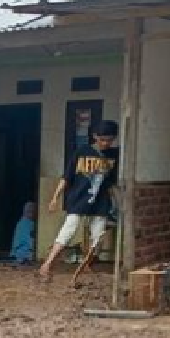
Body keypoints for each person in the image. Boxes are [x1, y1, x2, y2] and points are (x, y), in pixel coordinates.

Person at [38, 120, 120, 282]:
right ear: (95, 136)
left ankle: (84, 267)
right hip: (78, 198)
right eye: (102, 140)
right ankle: (47, 265)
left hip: (101, 201)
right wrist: (55, 198)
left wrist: (117, 203)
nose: (106, 143)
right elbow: (66, 177)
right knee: (68, 230)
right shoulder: (81, 152)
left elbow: (110, 183)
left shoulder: (113, 155)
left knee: (98, 238)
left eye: (109, 140)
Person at [11, 202, 37, 266]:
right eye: (30, 211)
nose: (32, 213)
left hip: (21, 252)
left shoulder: (24, 222)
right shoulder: (25, 223)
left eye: (33, 211)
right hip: (23, 251)